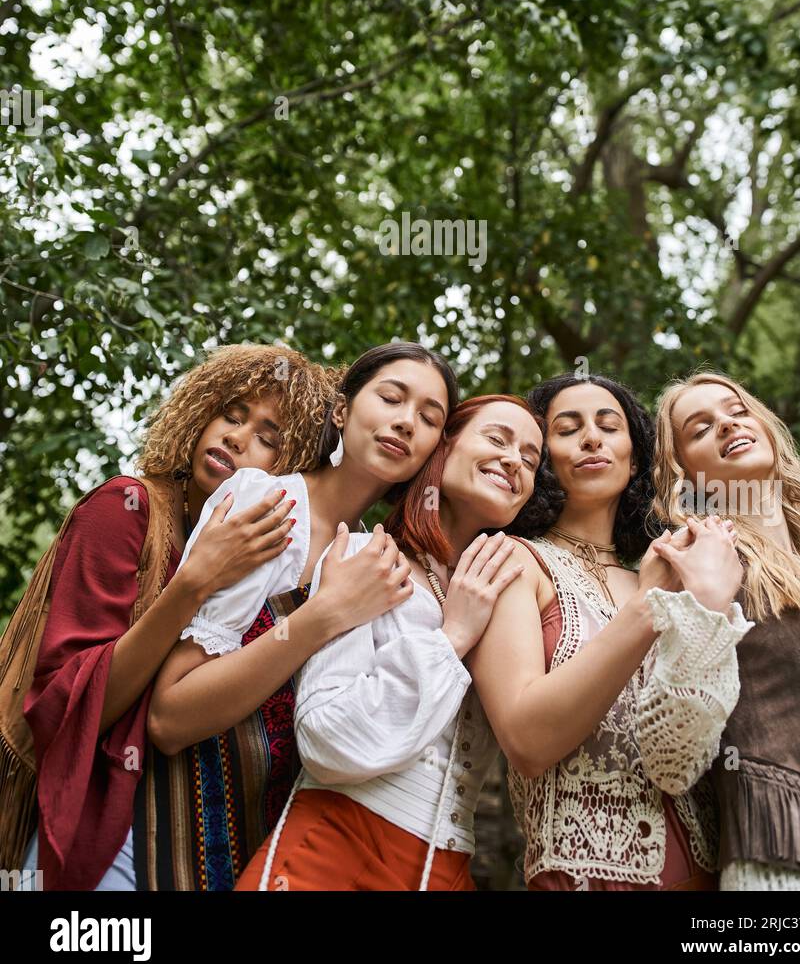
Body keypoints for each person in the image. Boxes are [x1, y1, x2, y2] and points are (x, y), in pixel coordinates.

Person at [146, 341, 458, 889]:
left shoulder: (378, 561)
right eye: (390, 398)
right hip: (170, 832)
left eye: (429, 417)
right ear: (342, 410)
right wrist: (324, 614)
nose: (406, 422)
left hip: (276, 846)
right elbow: (169, 718)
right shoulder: (264, 502)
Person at [230, 395, 546, 891]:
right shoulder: (366, 558)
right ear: (443, 449)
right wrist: (452, 637)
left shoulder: (515, 605)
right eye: (497, 439)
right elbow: (324, 738)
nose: (514, 460)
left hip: (448, 868)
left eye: (530, 459)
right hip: (332, 849)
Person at [468, 372, 749, 890]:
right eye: (568, 429)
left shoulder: (670, 568)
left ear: (635, 456)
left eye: (608, 426)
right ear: (543, 456)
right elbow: (528, 741)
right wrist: (646, 606)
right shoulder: (517, 562)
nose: (591, 439)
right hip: (589, 876)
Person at [653, 371, 800, 891]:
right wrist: (706, 604)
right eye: (700, 428)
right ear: (686, 473)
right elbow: (671, 759)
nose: (727, 423)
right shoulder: (694, 561)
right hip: (786, 868)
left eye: (736, 410)